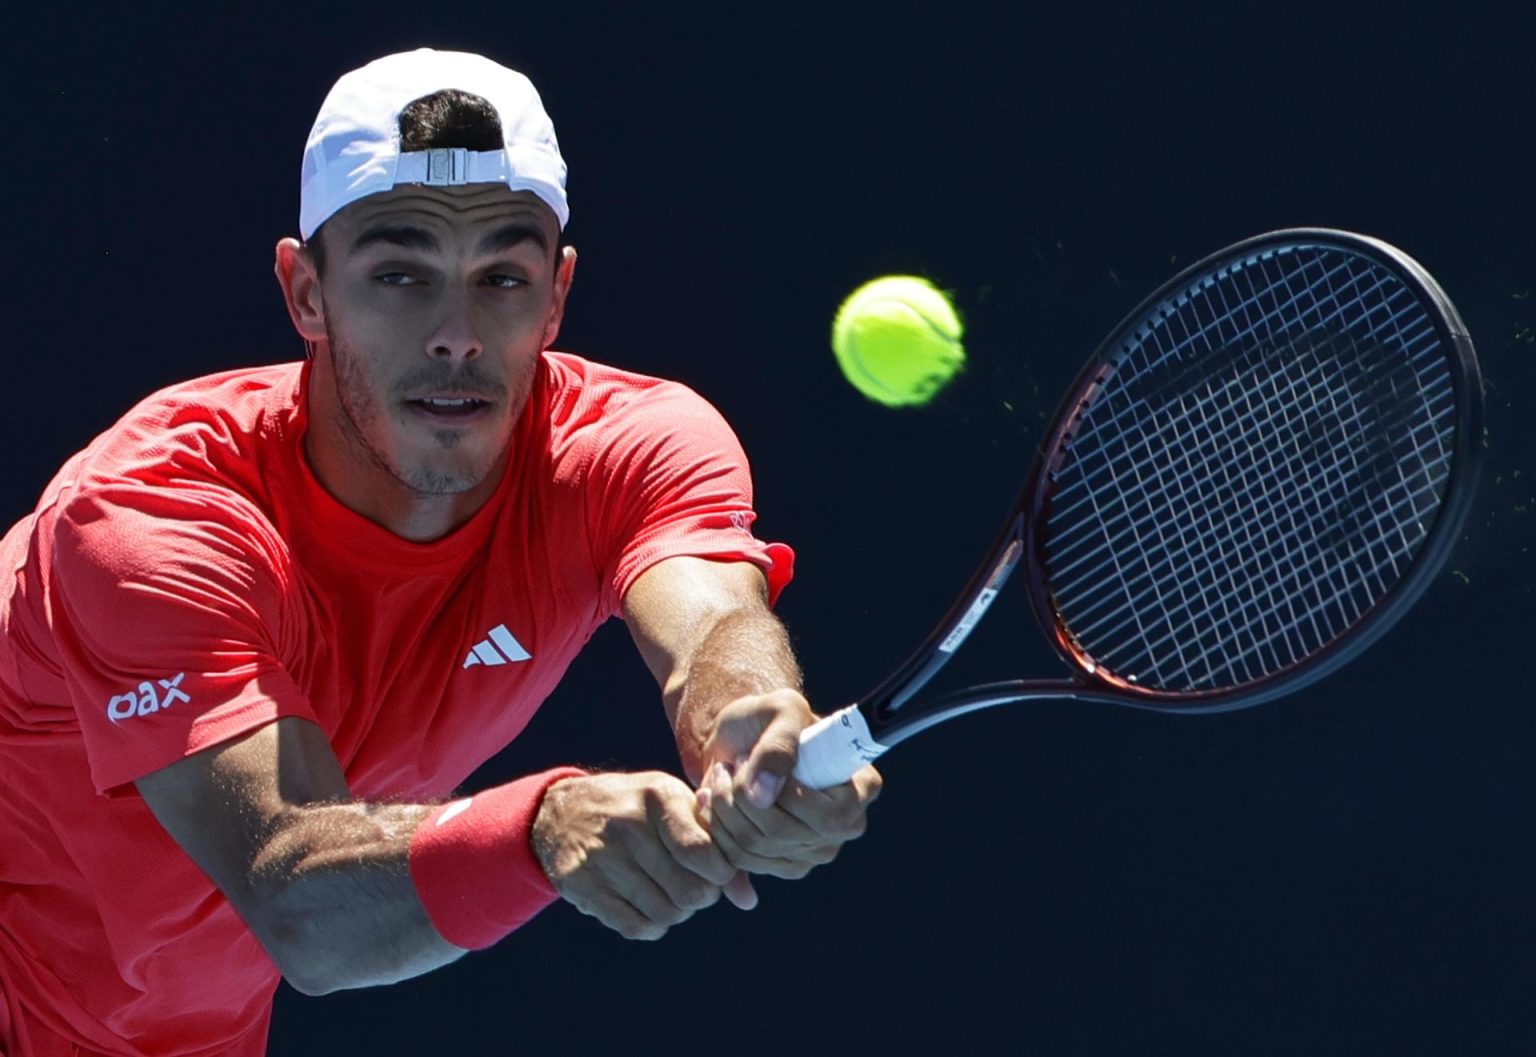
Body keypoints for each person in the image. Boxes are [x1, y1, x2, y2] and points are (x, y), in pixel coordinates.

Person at [0, 48, 881, 1057]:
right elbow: (296, 895)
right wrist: (541, 828)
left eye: (502, 276)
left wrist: (750, 723)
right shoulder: (152, 519)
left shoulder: (631, 447)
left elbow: (716, 622)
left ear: (557, 296)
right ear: (306, 294)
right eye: (400, 272)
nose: (456, 333)